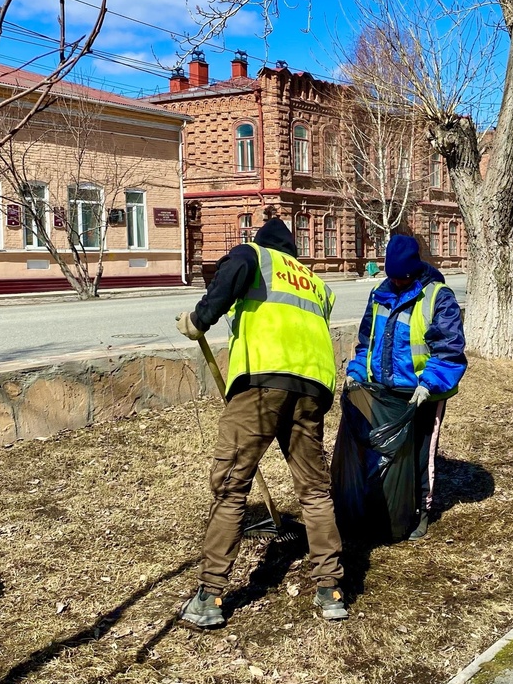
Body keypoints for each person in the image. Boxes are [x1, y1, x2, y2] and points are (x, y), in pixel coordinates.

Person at [175, 218, 347, 627]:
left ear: (262, 242)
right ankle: (332, 591)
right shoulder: (314, 281)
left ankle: (210, 597)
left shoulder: (252, 256)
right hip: (312, 388)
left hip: (261, 383)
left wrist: (199, 319)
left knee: (231, 488)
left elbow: (227, 279)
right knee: (315, 492)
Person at [344, 234, 467, 539]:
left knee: (421, 455)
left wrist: (429, 384)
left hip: (423, 393)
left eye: (403, 278)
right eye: (393, 277)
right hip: (384, 391)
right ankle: (386, 507)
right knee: (383, 452)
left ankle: (422, 512)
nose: (397, 283)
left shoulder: (438, 297)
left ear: (414, 270)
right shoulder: (379, 293)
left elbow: (449, 350)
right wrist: (357, 371)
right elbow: (367, 342)